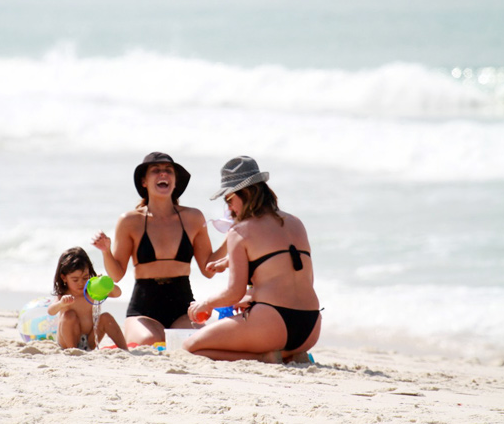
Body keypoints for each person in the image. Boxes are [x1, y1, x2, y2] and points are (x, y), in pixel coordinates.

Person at [184, 156, 321, 363]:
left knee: (189, 348)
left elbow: (233, 292)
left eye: (229, 200)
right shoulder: (296, 223)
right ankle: (289, 354)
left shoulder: (239, 232)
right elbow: (301, 282)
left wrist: (205, 304)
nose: (229, 209)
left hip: (273, 324)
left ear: (246, 193)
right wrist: (253, 298)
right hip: (311, 327)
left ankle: (265, 356)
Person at [92, 152, 225, 345]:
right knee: (151, 341)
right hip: (143, 310)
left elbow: (208, 270)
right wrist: (106, 251)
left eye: (168, 171)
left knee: (197, 341)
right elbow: (116, 275)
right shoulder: (130, 221)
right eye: (156, 171)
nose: (163, 174)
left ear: (175, 180)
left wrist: (232, 238)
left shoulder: (193, 218)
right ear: (144, 181)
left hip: (183, 307)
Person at [47, 247, 128, 351]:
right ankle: (73, 350)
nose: (81, 283)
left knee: (106, 317)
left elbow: (117, 293)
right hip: (68, 341)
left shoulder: (92, 291)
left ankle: (125, 349)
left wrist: (105, 284)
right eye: (75, 280)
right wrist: (61, 304)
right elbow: (50, 311)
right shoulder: (64, 295)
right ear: (64, 278)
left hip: (90, 339)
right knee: (69, 315)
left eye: (85, 278)